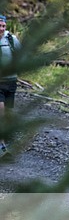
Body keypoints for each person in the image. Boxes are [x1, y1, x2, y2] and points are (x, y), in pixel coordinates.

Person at [0, 14, 21, 154]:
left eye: (3, 25)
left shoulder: (11, 39)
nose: (1, 28)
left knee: (8, 112)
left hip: (11, 81)